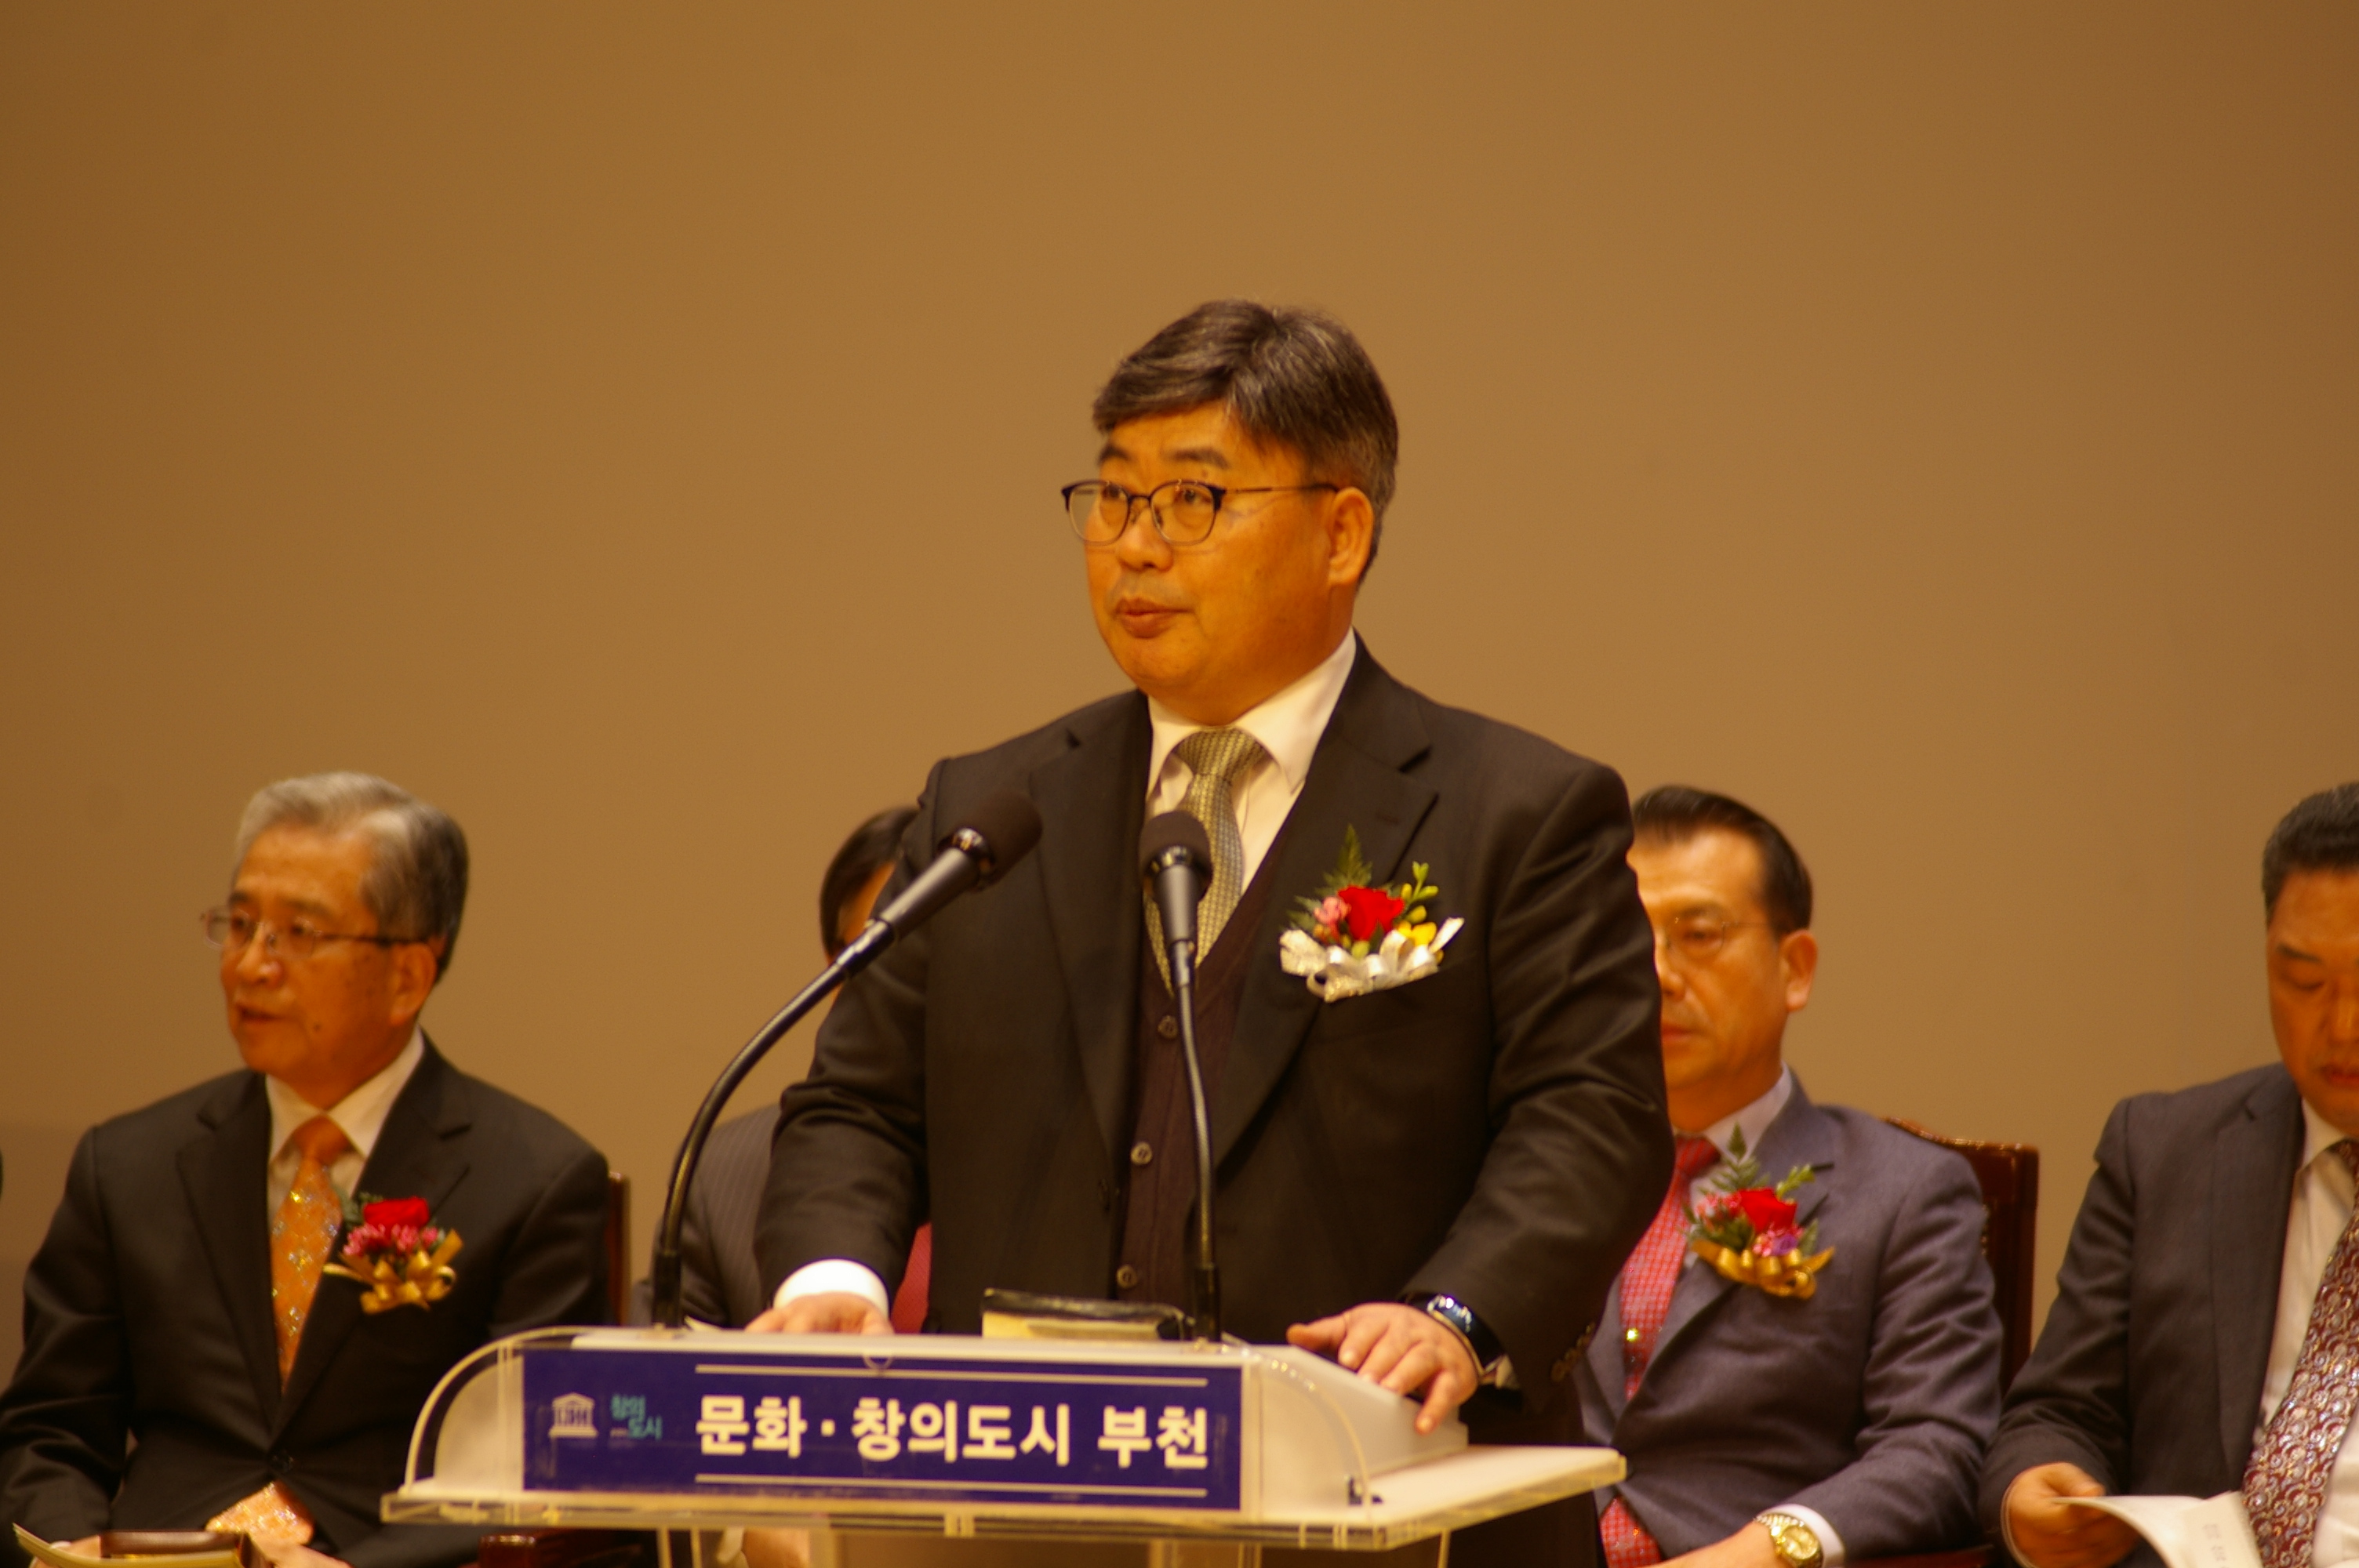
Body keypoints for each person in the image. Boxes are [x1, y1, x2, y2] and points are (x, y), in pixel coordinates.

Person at [750, 299, 1671, 1566]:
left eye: (1192, 501)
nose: (1135, 546)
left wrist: (1454, 1315)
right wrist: (832, 1285)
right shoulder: (992, 808)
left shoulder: (1515, 812)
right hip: (1023, 1513)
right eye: (1113, 498)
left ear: (1340, 532)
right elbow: (857, 1105)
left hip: (1393, 1502)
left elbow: (1590, 1119)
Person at [0, 773, 611, 1568]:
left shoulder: (533, 1181)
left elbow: (528, 1464)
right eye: (240, 924)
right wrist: (69, 1547)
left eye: (300, 933)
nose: (251, 965)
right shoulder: (127, 1165)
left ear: (407, 977)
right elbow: (50, 1428)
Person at [1580, 787, 2001, 1568]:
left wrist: (1766, 1549)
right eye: (1625, 938)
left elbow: (1937, 1448)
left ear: (1794, 968)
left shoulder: (1904, 1191)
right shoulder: (1541, 1172)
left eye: (1698, 935)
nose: (1656, 974)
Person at [1984, 782, 2359, 1568]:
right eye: (2302, 982)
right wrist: (2032, 1489)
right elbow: (2059, 1413)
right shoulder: (2164, 1151)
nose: (2340, 1025)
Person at [631, 805, 925, 1328]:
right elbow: (659, 1373)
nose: (915, 992)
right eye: (895, 964)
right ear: (836, 972)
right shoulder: (722, 1180)